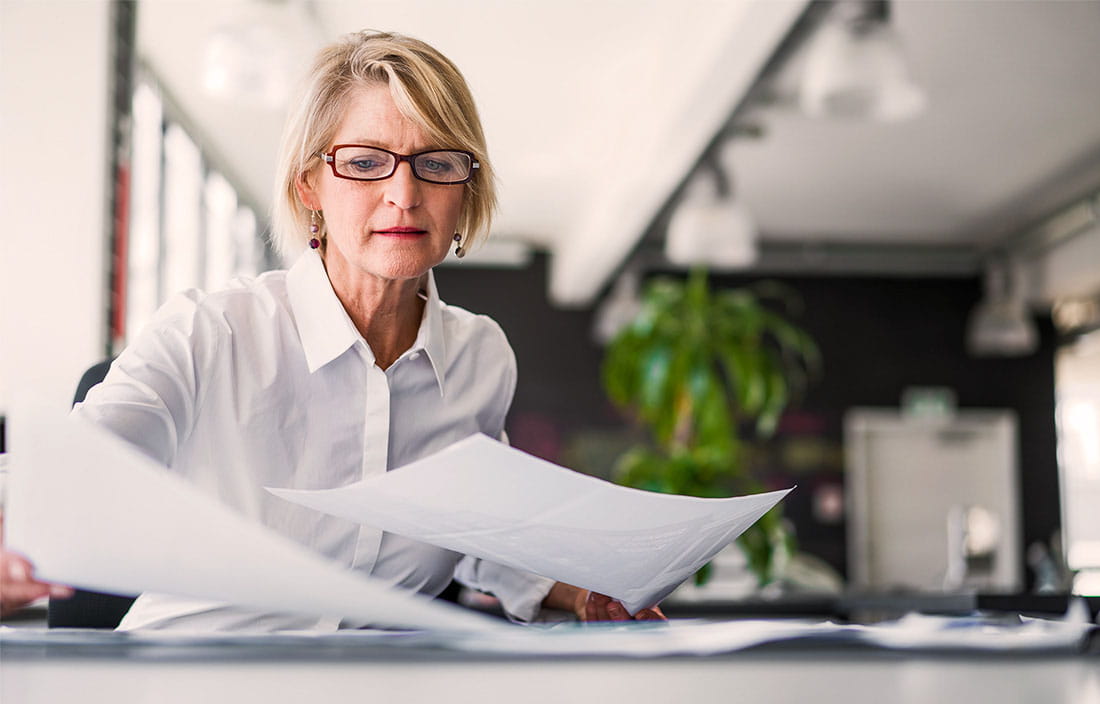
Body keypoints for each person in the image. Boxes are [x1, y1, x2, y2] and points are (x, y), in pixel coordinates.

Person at [29, 30, 662, 630]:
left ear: (465, 191)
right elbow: (63, 474)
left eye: (437, 163)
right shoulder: (210, 333)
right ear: (309, 185)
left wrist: (578, 590)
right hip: (194, 678)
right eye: (364, 162)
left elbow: (472, 529)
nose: (404, 194)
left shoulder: (480, 358)